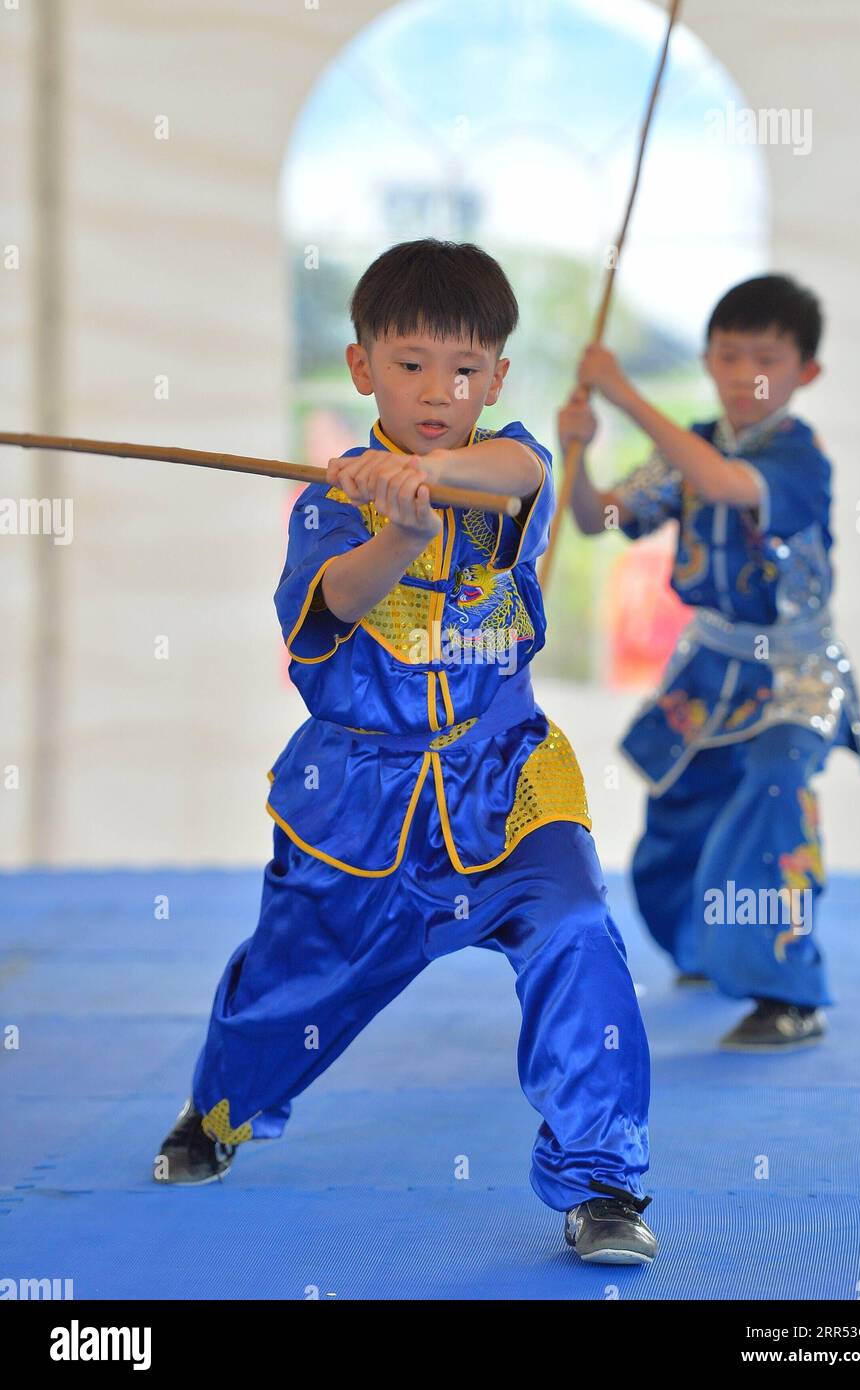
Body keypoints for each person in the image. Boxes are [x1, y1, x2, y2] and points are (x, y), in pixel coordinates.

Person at [153, 238, 657, 1265]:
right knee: (290, 990)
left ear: (497, 378)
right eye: (411, 364)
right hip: (359, 803)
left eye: (465, 369)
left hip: (506, 778)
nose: (439, 390)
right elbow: (333, 600)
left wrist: (423, 474)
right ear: (359, 367)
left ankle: (601, 1179)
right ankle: (217, 1109)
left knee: (575, 930)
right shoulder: (328, 503)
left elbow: (522, 470)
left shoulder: (499, 461)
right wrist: (393, 527)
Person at [559, 274, 860, 1051]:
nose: (744, 375)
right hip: (711, 665)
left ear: (807, 373)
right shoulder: (690, 444)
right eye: (728, 355)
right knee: (679, 813)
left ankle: (788, 990)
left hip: (794, 673)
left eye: (766, 357)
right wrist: (578, 454)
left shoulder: (799, 458)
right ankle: (702, 945)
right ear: (706, 360)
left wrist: (623, 394)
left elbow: (722, 484)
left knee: (775, 789)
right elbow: (598, 520)